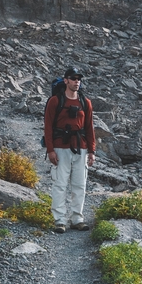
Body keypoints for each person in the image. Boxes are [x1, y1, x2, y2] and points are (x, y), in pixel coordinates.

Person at [44, 67, 96, 233]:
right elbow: (48, 128)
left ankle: (77, 219)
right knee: (60, 184)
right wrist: (50, 150)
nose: (76, 81)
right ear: (65, 80)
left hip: (80, 148)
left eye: (78, 79)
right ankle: (59, 220)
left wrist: (92, 151)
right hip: (60, 148)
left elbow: (89, 128)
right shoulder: (55, 101)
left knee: (79, 185)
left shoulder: (85, 102)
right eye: (73, 78)